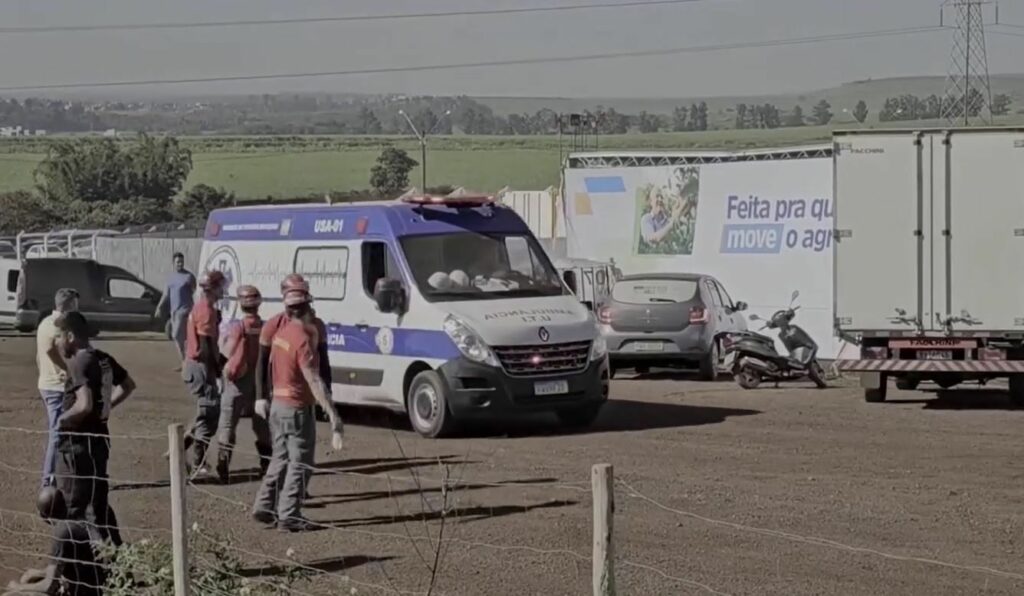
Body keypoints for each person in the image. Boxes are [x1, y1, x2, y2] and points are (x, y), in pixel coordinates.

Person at [252, 281, 344, 532]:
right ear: (306, 307)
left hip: (278, 405)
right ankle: (289, 514)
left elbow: (267, 365)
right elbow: (313, 379)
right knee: (300, 463)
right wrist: (333, 414)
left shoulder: (281, 333)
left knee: (279, 459)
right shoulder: (303, 338)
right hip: (296, 408)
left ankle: (264, 504)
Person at [53, 311, 135, 548]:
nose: (57, 342)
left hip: (77, 445)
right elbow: (128, 385)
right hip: (99, 441)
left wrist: (60, 421)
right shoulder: (103, 359)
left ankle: (74, 571)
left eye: (59, 336)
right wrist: (105, 409)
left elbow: (84, 404)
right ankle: (119, 565)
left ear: (70, 336)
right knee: (98, 505)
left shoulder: (80, 360)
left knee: (73, 507)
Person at [214, 285, 271, 483]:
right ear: (258, 303)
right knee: (262, 426)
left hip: (236, 382)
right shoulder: (265, 327)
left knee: (228, 424)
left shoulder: (237, 327)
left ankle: (223, 466)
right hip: (259, 383)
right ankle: (266, 466)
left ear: (241, 303)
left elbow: (226, 352)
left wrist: (218, 373)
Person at [4, 487, 107, 596]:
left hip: (81, 591)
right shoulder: (78, 517)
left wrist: (18, 588)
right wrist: (41, 573)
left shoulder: (62, 531)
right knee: (28, 577)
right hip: (94, 581)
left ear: (43, 516)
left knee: (10, 594)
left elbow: (48, 587)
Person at [182, 270, 226, 475]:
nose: (222, 290)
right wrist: (217, 372)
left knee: (204, 412)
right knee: (209, 412)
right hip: (201, 365)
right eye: (220, 286)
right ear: (213, 288)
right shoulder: (206, 310)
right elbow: (207, 345)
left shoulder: (202, 308)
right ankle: (191, 456)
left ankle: (184, 451)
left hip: (194, 364)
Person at [36, 288, 79, 488]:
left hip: (46, 383)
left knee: (64, 432)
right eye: (76, 304)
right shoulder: (60, 326)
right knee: (57, 433)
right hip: (58, 387)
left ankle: (64, 475)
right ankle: (48, 480)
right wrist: (68, 370)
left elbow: (40, 356)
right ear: (70, 305)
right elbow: (50, 351)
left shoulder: (44, 323)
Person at [154, 252, 197, 365]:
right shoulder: (170, 278)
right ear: (173, 263)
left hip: (185, 311)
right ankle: (185, 361)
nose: (180, 264)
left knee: (176, 335)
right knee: (181, 337)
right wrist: (159, 307)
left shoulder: (189, 276)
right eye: (178, 262)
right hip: (174, 311)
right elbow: (166, 294)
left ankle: (185, 361)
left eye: (181, 262)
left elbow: (194, 291)